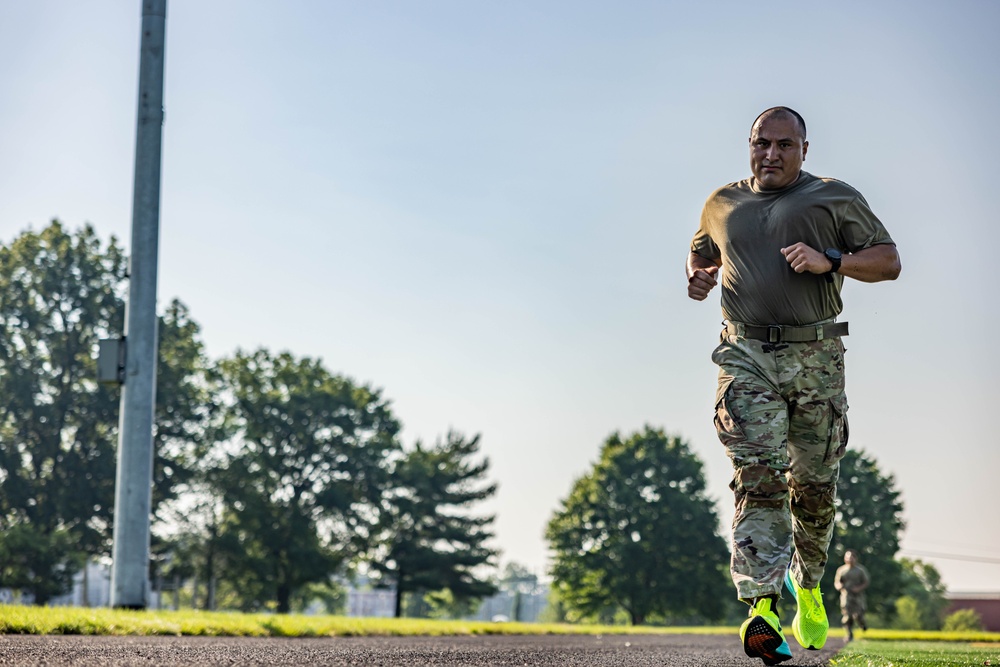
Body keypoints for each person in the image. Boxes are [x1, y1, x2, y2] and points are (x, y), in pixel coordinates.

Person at [686, 106, 900, 665]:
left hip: (816, 357)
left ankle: (807, 583)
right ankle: (760, 609)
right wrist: (698, 276)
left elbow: (889, 261)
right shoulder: (721, 203)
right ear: (749, 144)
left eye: (785, 145)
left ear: (805, 148)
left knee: (813, 489)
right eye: (762, 143)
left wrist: (831, 260)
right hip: (745, 353)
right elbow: (702, 249)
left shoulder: (832, 197)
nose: (771, 155)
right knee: (758, 476)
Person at [834, 549, 870, 641]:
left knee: (859, 614)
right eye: (848, 557)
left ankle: (862, 624)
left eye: (852, 557)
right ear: (845, 559)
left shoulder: (860, 570)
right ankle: (849, 634)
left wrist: (858, 588)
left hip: (858, 595)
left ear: (855, 558)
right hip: (846, 595)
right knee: (847, 615)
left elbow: (866, 582)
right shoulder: (841, 570)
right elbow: (837, 582)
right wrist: (839, 586)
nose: (850, 559)